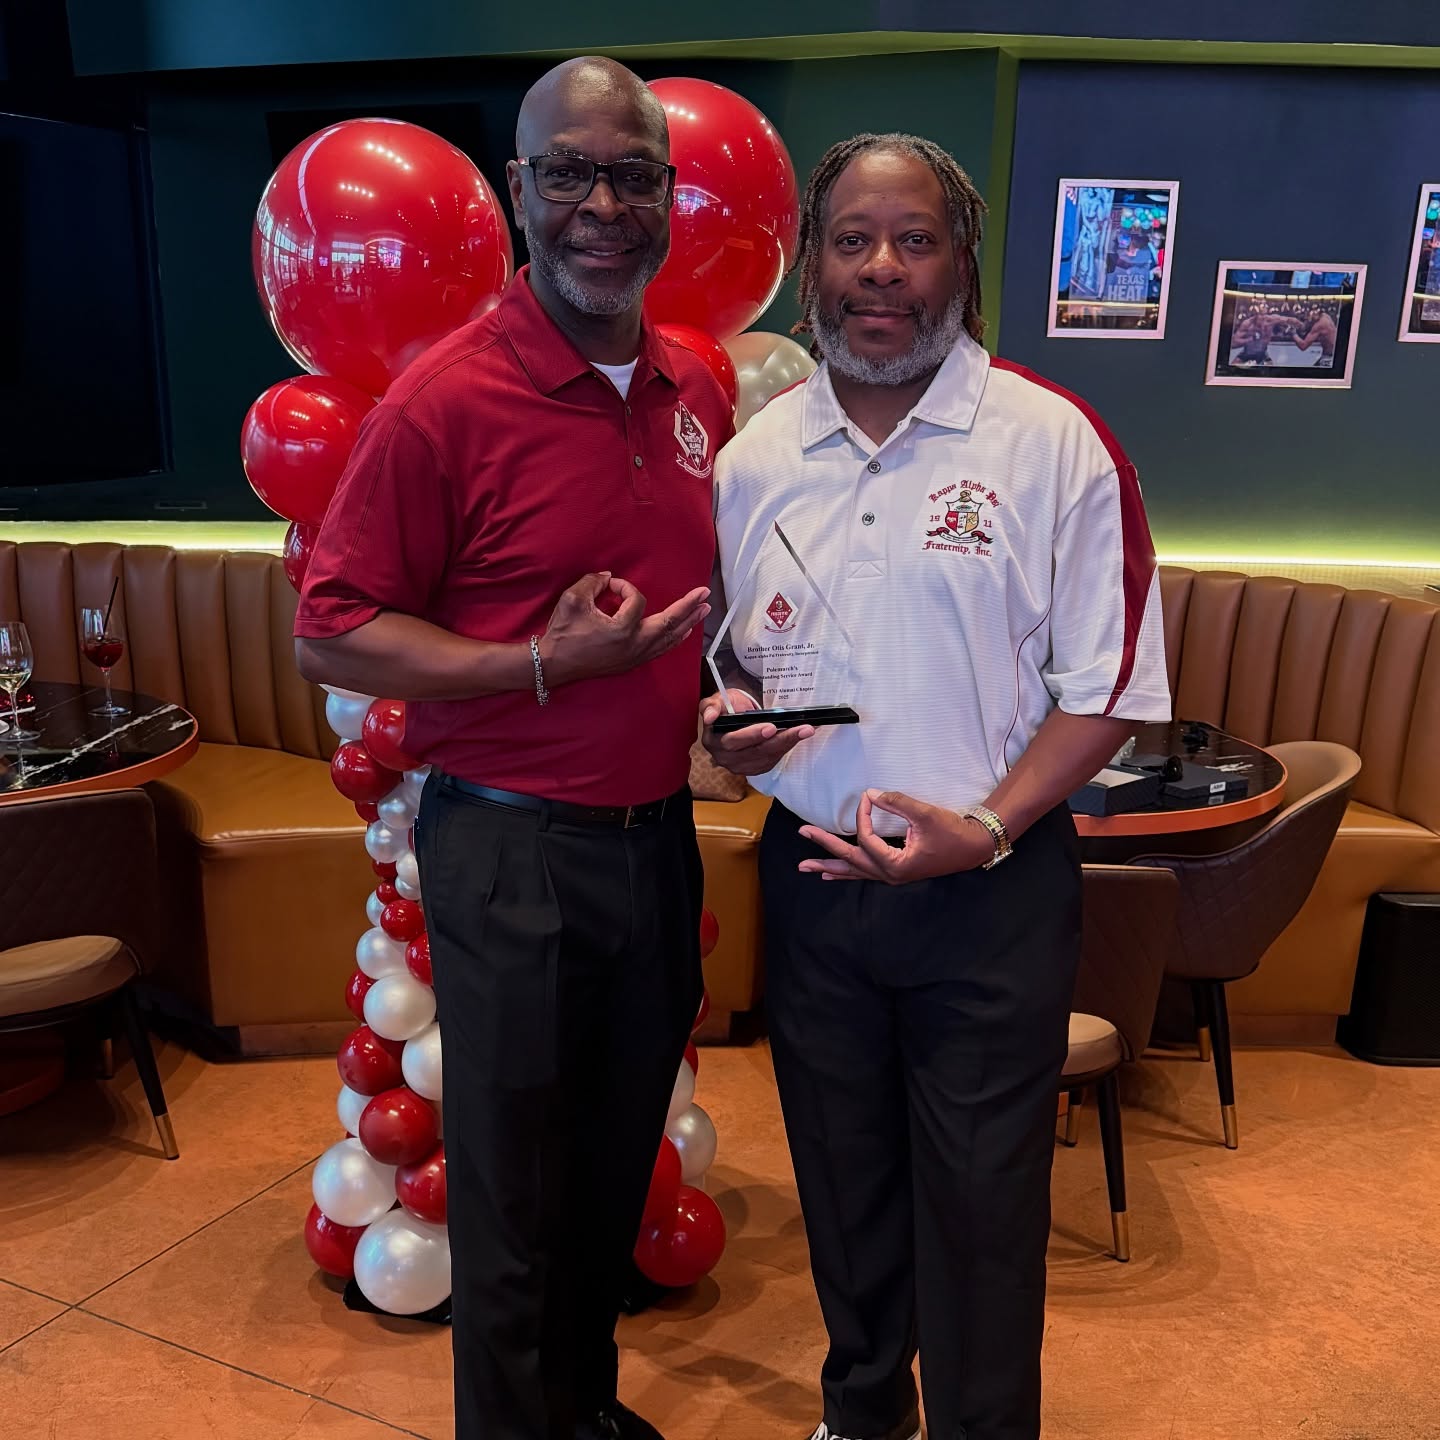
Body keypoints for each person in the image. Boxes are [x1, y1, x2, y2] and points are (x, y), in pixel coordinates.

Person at [701, 132, 1171, 1440]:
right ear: (812, 262)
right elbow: (733, 661)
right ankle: (862, 1417)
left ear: (963, 262)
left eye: (916, 240)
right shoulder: (751, 461)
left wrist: (988, 825)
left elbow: (1112, 691)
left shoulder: (1054, 443)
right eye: (854, 239)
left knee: (981, 1212)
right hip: (812, 886)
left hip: (994, 894)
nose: (883, 270)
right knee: (843, 1195)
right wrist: (729, 727)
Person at [294, 56, 732, 1440]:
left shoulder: (688, 392)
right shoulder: (448, 398)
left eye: (633, 174)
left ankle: (584, 1417)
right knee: (514, 1209)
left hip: (655, 842)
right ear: (518, 195)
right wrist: (538, 663)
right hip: (512, 849)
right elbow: (333, 628)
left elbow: (695, 616)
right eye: (571, 173)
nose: (603, 204)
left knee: (606, 1176)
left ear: (667, 193)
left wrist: (726, 705)